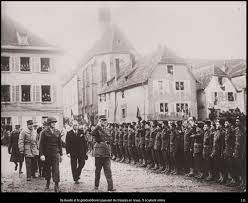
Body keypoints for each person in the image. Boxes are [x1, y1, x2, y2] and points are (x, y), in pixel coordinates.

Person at [91, 115, 116, 192]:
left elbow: (111, 138)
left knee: (108, 170)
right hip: (98, 153)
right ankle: (96, 186)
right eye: (103, 121)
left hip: (107, 152)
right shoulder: (97, 129)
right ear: (100, 121)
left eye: (105, 121)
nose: (105, 122)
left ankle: (110, 187)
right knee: (98, 171)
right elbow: (92, 133)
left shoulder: (108, 129)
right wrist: (98, 126)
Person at [39, 117, 63, 192]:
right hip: (47, 154)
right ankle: (47, 183)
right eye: (52, 122)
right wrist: (41, 154)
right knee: (47, 169)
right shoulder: (43, 132)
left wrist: (61, 154)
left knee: (56, 170)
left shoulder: (58, 132)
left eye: (54, 122)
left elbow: (60, 144)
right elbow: (41, 144)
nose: (54, 124)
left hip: (55, 154)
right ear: (49, 123)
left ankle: (56, 185)